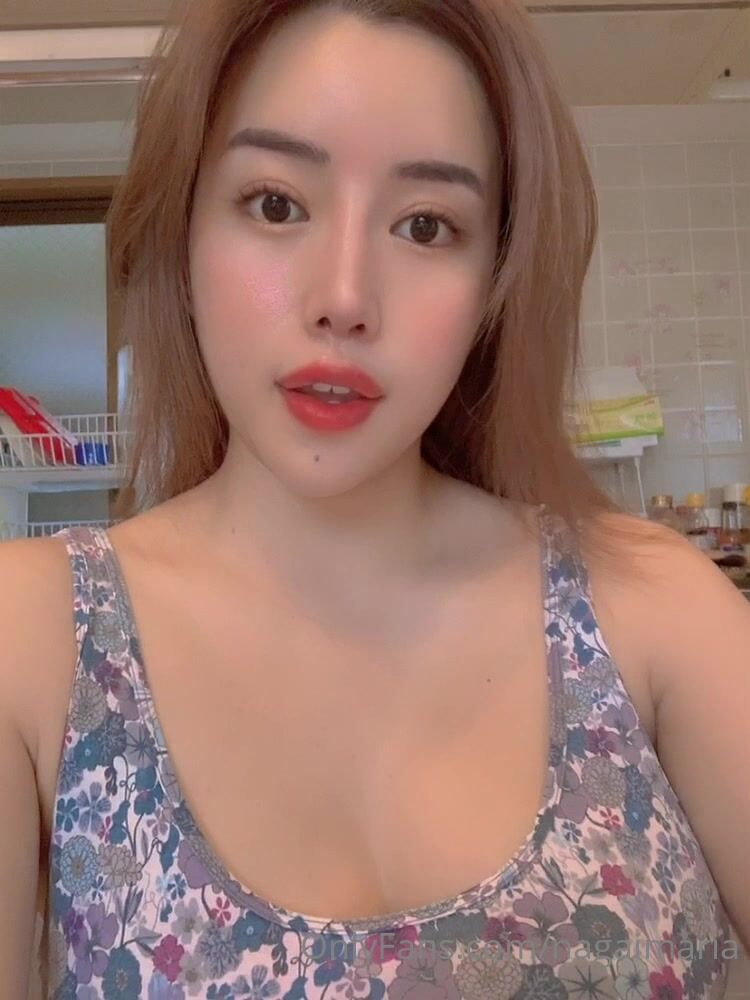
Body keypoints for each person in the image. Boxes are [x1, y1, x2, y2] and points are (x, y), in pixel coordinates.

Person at [2, 0, 748, 996]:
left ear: (494, 278)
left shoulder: (657, 609)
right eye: (275, 204)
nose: (345, 297)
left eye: (425, 225)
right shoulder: (33, 637)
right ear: (183, 233)